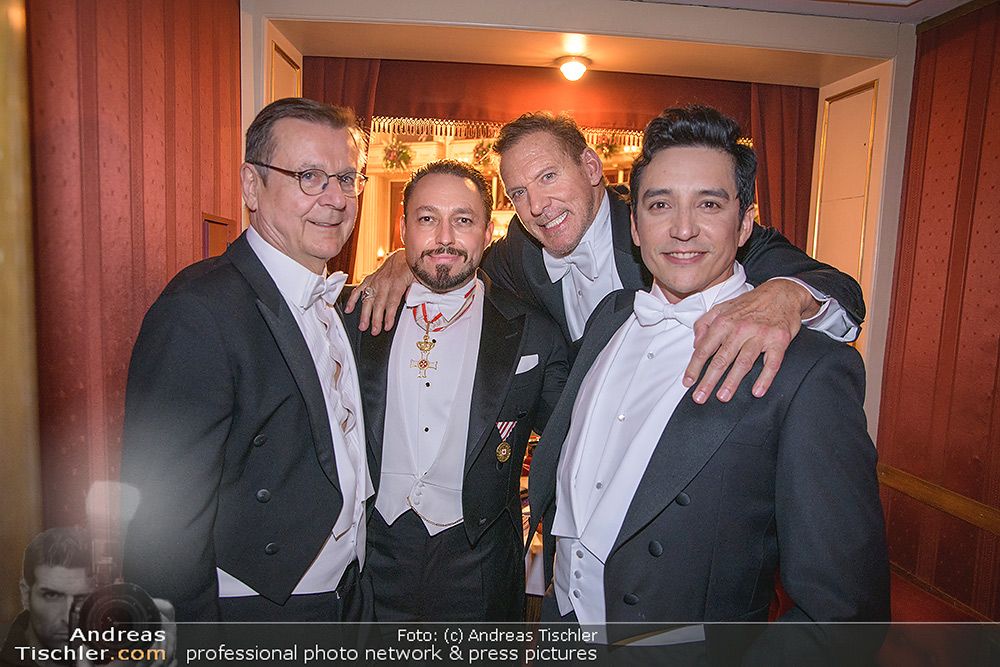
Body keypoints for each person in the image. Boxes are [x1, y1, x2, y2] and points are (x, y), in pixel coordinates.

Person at [527, 106, 889, 648]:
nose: (682, 229)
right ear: (634, 224)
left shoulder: (808, 370)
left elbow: (844, 616)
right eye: (660, 204)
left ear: (745, 224)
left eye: (709, 204)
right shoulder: (610, 317)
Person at [347, 111, 865, 405]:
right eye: (519, 192)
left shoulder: (663, 226)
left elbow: (838, 289)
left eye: (549, 177)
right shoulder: (522, 252)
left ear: (592, 168)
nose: (538, 205)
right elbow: (455, 256)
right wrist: (402, 260)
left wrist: (786, 295)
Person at [120, 98, 373, 622]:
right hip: (254, 610)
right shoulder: (199, 310)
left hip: (346, 597)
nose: (335, 199)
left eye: (347, 179)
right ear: (252, 186)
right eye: (309, 177)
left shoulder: (337, 302)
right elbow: (161, 524)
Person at [344, 160, 568, 621]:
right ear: (403, 229)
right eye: (427, 218)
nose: (444, 237)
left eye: (462, 220)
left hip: (481, 567)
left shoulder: (535, 333)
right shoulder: (350, 318)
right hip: (369, 558)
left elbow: (576, 441)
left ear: (488, 232)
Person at [1, 527, 175, 667]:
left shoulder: (119, 654)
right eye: (52, 595)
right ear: (25, 594)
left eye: (84, 599)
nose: (67, 618)